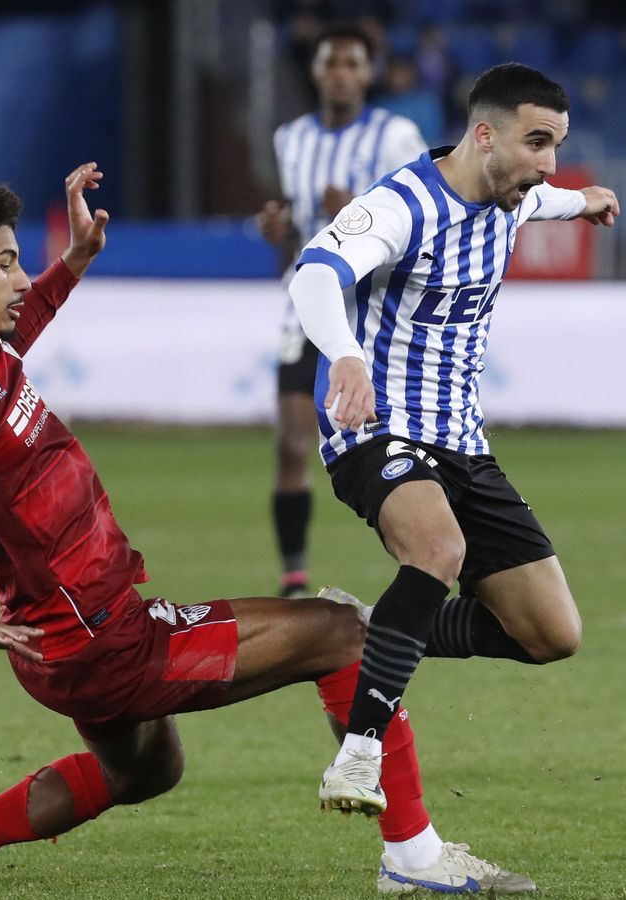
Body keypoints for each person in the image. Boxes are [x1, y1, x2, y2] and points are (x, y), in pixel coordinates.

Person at [0, 164, 533, 895]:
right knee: (343, 631)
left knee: (149, 770)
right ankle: (414, 860)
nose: (23, 279)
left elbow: (27, 322)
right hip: (101, 639)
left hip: (63, 642)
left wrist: (77, 259)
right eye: (5, 263)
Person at [285, 63, 618, 826]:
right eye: (537, 142)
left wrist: (587, 203)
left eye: (557, 147)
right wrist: (344, 352)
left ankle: (371, 627)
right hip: (376, 427)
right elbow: (313, 275)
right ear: (483, 134)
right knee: (437, 552)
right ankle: (359, 750)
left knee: (550, 634)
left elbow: (547, 198)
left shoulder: (517, 190)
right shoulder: (403, 204)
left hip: (461, 441)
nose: (548, 165)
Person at [259, 22, 428, 600]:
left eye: (352, 65)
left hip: (377, 309)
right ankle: (294, 576)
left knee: (400, 441)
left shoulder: (395, 136)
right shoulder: (291, 139)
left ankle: (424, 561)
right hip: (307, 302)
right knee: (291, 437)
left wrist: (356, 212)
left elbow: (417, 225)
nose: (340, 75)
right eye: (331, 63)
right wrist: (279, 232)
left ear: (369, 73)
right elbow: (296, 238)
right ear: (315, 71)